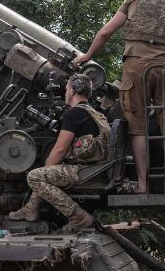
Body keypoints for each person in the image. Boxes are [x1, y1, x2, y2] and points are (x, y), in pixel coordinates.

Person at [72, 0, 165, 194]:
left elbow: (105, 32)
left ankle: (142, 185)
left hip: (135, 66)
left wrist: (87, 54)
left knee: (137, 129)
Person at [8, 73, 110, 232]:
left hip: (86, 173)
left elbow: (60, 149)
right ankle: (31, 207)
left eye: (67, 88)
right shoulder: (96, 114)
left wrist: (47, 167)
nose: (65, 92)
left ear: (73, 91)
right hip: (98, 169)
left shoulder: (75, 113)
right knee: (46, 173)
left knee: (35, 176)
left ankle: (78, 216)